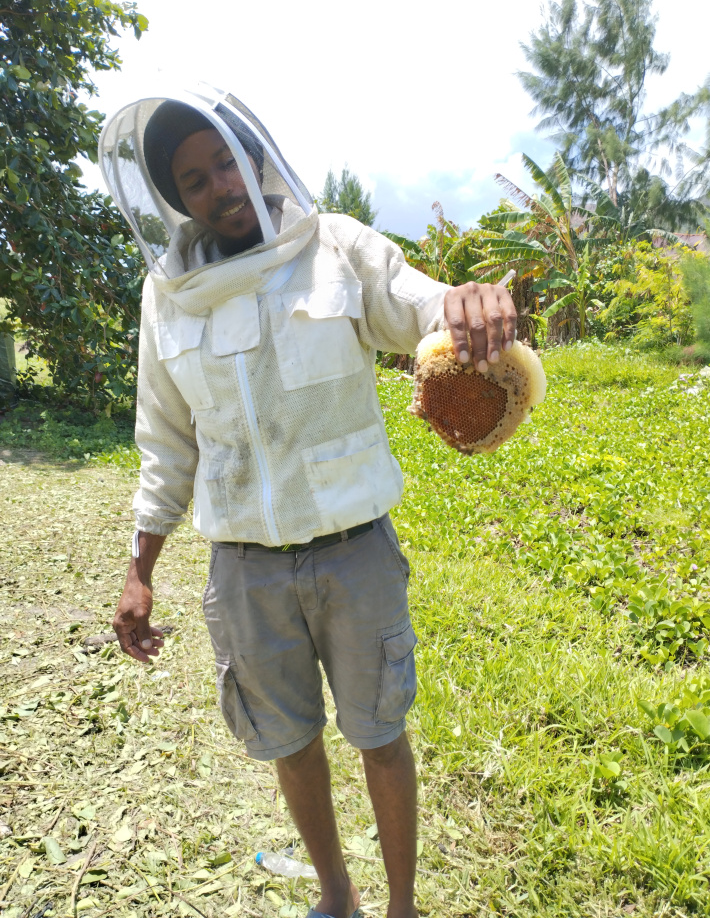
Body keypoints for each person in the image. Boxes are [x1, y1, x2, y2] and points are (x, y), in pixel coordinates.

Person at [101, 85, 517, 918]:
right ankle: (337, 896)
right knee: (291, 743)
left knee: (379, 733)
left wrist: (463, 304)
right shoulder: (168, 297)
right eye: (194, 179)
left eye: (226, 161)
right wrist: (138, 570)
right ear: (177, 200)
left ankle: (400, 905)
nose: (219, 185)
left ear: (255, 158)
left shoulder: (336, 248)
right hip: (246, 568)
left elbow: (419, 303)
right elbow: (165, 442)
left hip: (354, 551)